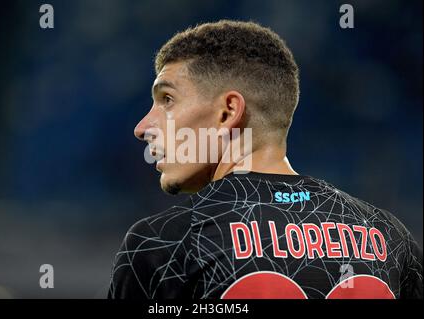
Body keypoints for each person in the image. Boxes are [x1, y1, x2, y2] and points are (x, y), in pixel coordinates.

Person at [108, 20, 422, 299]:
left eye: (167, 99)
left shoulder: (161, 243)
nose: (142, 127)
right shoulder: (389, 236)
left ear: (227, 112)